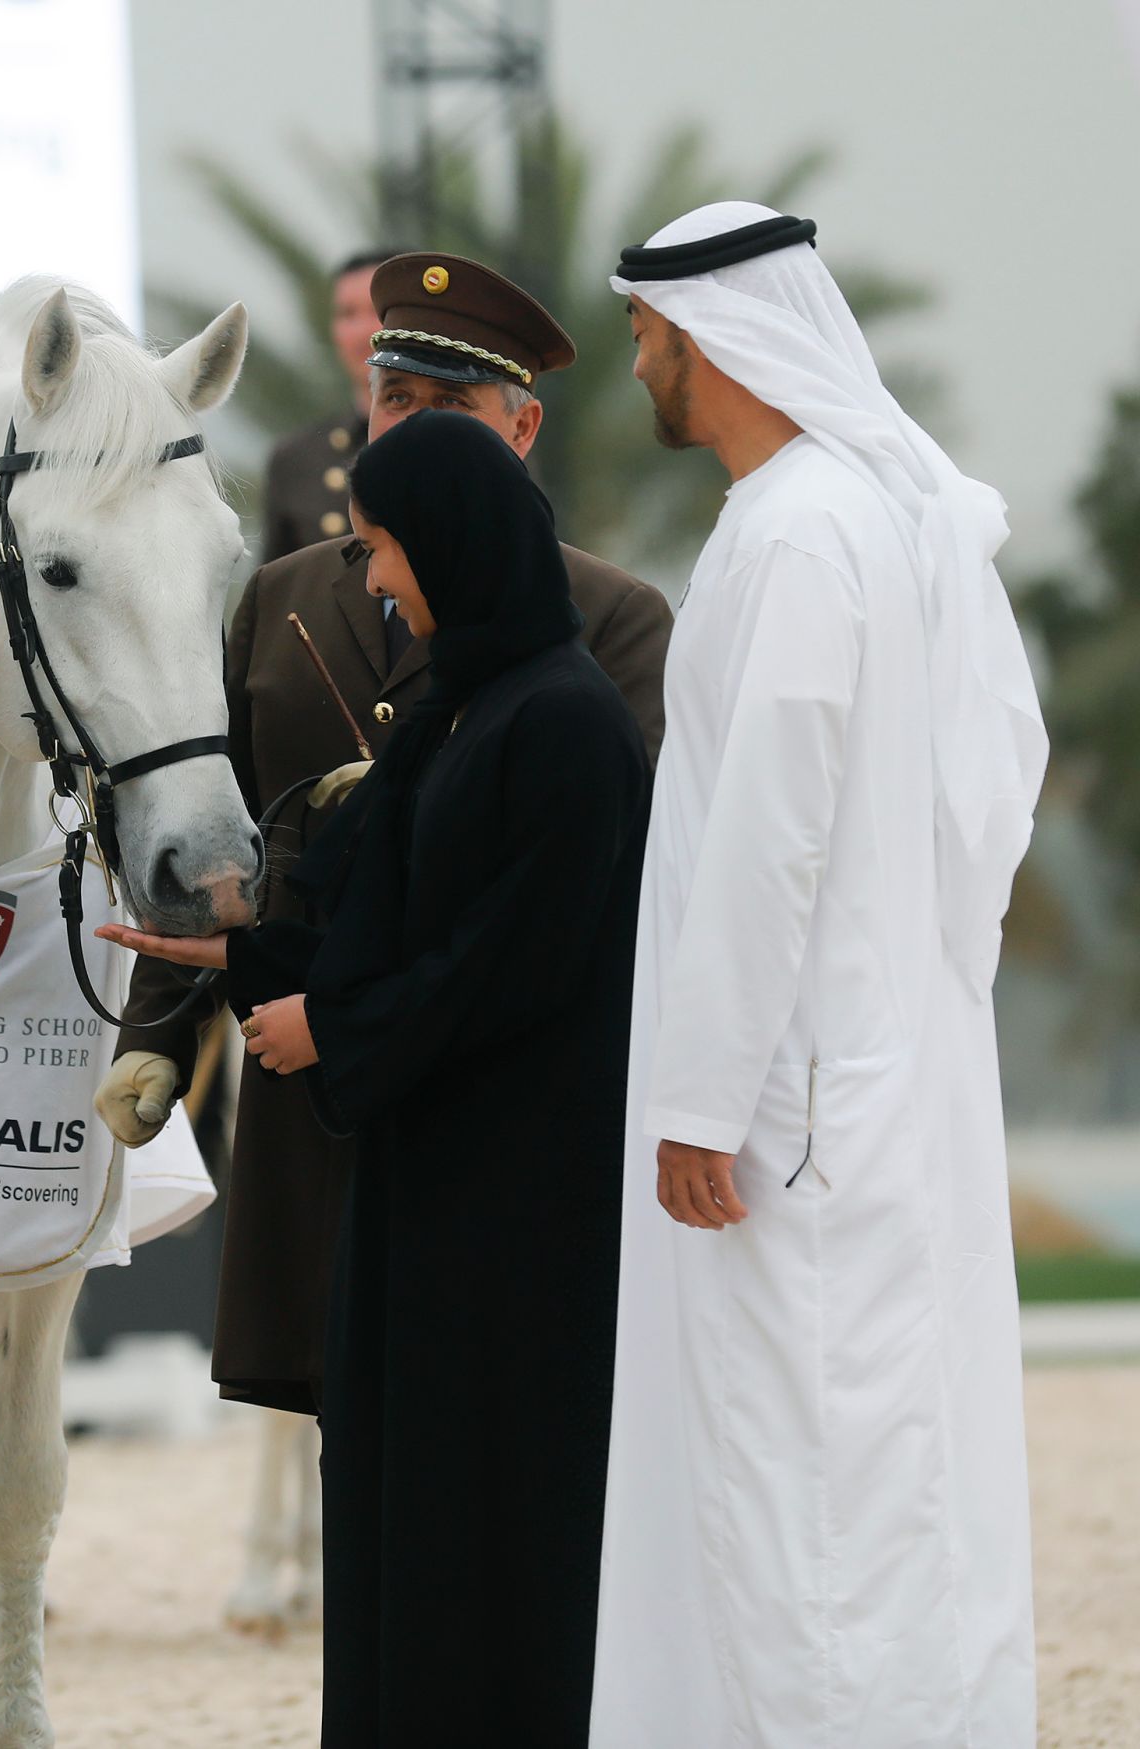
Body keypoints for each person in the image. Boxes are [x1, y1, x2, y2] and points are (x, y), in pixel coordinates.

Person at [103, 409, 649, 1744]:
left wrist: (334, 1029)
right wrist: (239, 954)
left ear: (455, 544)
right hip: (416, 1194)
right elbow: (386, 925)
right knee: (397, 1516)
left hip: (515, 1216)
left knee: (490, 1529)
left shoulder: (567, 722)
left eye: (389, 546)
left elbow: (508, 967)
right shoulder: (459, 705)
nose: (377, 576)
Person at [590, 204, 1049, 1747]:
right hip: (859, 1071)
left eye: (648, 333)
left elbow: (767, 841)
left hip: (798, 1100)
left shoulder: (801, 530)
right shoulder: (842, 514)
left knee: (812, 1491)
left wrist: (706, 1099)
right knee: (859, 1471)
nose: (638, 359)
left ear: (708, 338)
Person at [97, 251, 672, 1418]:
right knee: (337, 1392)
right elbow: (222, 832)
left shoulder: (606, 620)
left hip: (482, 1077)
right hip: (303, 1069)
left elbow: (599, 888)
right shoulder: (282, 596)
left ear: (518, 432)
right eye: (390, 397)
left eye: (445, 407)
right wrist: (157, 1037)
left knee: (485, 1405)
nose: (402, 425)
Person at [261, 248, 394, 561]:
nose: (364, 332)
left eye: (379, 312)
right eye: (347, 314)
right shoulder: (296, 459)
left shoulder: (474, 439)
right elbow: (276, 593)